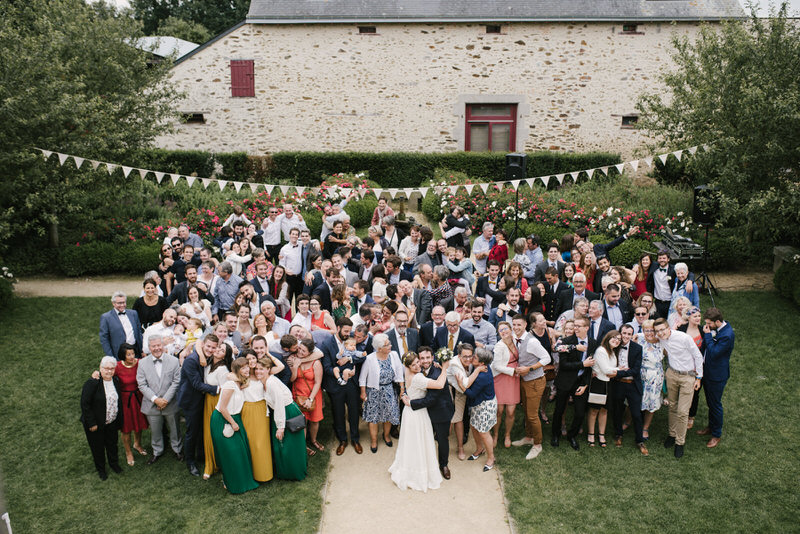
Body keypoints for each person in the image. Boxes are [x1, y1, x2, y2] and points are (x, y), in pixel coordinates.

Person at [391, 351, 450, 491]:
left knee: (412, 442)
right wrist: (445, 368)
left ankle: (413, 467)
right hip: (418, 414)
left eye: (418, 361)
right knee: (420, 441)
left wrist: (404, 394)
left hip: (410, 413)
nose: (418, 365)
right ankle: (419, 472)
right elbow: (439, 384)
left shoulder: (407, 372)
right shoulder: (418, 377)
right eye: (414, 364)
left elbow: (406, 387)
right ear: (408, 366)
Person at [654, 317, 704, 458]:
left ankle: (679, 442)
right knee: (672, 406)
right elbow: (646, 335)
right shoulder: (661, 338)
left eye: (662, 330)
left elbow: (698, 356)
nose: (660, 333)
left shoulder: (684, 338)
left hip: (688, 377)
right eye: (658, 331)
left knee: (682, 411)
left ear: (668, 328)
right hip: (672, 374)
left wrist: (699, 377)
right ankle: (672, 434)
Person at [209, 357, 259, 494]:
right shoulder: (230, 385)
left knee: (240, 451)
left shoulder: (239, 383)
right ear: (237, 370)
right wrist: (233, 423)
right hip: (223, 419)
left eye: (247, 366)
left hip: (234, 418)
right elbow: (223, 408)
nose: (247, 369)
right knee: (231, 452)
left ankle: (241, 480)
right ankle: (231, 483)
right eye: (243, 368)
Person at [408, 346, 455, 480]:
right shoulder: (417, 371)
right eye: (422, 358)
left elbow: (431, 399)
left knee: (442, 439)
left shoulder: (438, 374)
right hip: (425, 413)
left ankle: (444, 465)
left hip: (441, 411)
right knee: (424, 438)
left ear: (433, 358)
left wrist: (411, 403)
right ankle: (426, 463)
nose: (425, 361)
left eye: (428, 357)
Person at [178, 334, 221, 476]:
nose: (210, 349)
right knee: (192, 432)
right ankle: (190, 462)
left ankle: (201, 455)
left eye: (213, 347)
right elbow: (196, 384)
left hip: (203, 399)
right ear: (203, 344)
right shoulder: (191, 360)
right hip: (191, 400)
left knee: (203, 428)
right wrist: (217, 389)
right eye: (208, 346)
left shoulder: (209, 358)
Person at [258, 357, 307, 480]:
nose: (258, 371)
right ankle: (284, 471)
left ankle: (295, 472)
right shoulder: (262, 382)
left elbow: (279, 403)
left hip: (287, 412)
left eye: (261, 369)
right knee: (282, 444)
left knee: (290, 444)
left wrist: (280, 427)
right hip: (279, 413)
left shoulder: (271, 383)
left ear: (268, 369)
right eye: (256, 369)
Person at [551, 317, 597, 450]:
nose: (575, 328)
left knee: (580, 413)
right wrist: (582, 364)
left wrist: (585, 384)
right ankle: (555, 434)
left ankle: (572, 435)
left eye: (578, 326)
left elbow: (591, 367)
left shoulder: (593, 343)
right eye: (574, 326)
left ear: (586, 328)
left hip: (581, 383)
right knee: (559, 410)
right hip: (565, 380)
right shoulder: (567, 342)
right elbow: (564, 365)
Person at [359, 333, 404, 452]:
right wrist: (363, 393)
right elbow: (362, 378)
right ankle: (374, 440)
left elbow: (399, 372)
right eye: (387, 344)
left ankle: (386, 435)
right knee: (373, 417)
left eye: (389, 343)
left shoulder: (393, 355)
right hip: (374, 391)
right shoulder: (370, 358)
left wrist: (402, 388)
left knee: (388, 416)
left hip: (389, 389)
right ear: (379, 348)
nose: (390, 345)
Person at [696, 307, 734, 448]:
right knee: (710, 403)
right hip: (707, 371)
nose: (707, 326)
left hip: (717, 375)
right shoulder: (717, 328)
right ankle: (710, 427)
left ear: (717, 322)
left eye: (709, 324)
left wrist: (707, 335)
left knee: (715, 405)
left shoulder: (727, 335)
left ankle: (716, 434)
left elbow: (714, 352)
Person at [81, 356, 123, 480]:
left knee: (112, 444)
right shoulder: (93, 383)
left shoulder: (115, 381)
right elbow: (85, 404)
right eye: (106, 369)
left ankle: (114, 464)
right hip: (96, 423)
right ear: (100, 368)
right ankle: (101, 470)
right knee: (97, 447)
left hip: (111, 421)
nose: (109, 371)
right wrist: (91, 423)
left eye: (112, 369)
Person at [610, 324, 648, 455]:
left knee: (636, 413)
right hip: (618, 384)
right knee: (617, 410)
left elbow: (635, 370)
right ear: (620, 333)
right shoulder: (614, 346)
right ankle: (618, 434)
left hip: (632, 384)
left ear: (632, 335)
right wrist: (618, 372)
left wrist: (618, 372)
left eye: (629, 334)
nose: (626, 336)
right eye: (624, 333)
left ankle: (639, 440)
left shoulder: (637, 348)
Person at [199, 342, 233, 479]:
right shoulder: (208, 364)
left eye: (222, 350)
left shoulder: (222, 369)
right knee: (207, 431)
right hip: (208, 400)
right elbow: (198, 343)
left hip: (217, 401)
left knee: (213, 432)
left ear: (226, 356)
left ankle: (216, 464)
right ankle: (210, 463)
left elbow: (225, 390)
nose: (218, 350)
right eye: (218, 347)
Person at [113, 344, 148, 467]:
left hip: (139, 398)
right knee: (126, 428)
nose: (132, 356)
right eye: (128, 354)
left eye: (133, 353)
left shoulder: (140, 363)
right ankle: (128, 452)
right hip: (125, 401)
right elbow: (106, 374)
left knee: (138, 423)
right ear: (123, 355)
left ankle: (137, 444)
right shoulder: (117, 367)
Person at [241, 355, 274, 483]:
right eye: (248, 359)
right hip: (248, 409)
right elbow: (230, 377)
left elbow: (280, 367)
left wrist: (268, 353)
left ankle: (265, 473)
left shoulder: (260, 373)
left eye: (253, 358)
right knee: (251, 442)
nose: (251, 361)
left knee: (263, 442)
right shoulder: (243, 376)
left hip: (261, 409)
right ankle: (253, 473)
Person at [586, 330, 620, 448]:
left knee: (605, 410)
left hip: (608, 384)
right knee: (594, 410)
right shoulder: (601, 350)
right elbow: (606, 370)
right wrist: (621, 370)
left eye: (619, 339)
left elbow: (611, 369)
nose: (616, 340)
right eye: (614, 338)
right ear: (608, 338)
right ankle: (591, 434)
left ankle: (601, 434)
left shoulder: (612, 351)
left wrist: (614, 370)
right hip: (598, 383)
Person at [291, 339, 325, 455]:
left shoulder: (316, 363)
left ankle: (314, 440)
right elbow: (292, 379)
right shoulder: (294, 359)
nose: (300, 352)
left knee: (314, 420)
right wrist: (295, 367)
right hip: (298, 394)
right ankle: (303, 444)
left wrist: (310, 399)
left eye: (303, 351)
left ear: (310, 352)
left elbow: (317, 382)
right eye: (299, 348)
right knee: (301, 421)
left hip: (313, 394)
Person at [464, 348, 496, 471]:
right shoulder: (479, 368)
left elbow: (471, 394)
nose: (472, 358)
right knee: (474, 427)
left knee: (483, 432)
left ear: (482, 363)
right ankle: (479, 449)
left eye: (475, 358)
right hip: (478, 404)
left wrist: (461, 385)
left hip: (485, 406)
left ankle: (491, 458)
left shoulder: (483, 375)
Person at [491, 322, 519, 449]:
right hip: (502, 377)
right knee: (499, 410)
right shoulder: (499, 346)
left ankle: (507, 435)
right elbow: (496, 366)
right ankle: (495, 435)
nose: (503, 331)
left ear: (510, 329)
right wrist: (512, 371)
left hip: (514, 380)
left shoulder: (516, 342)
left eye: (505, 329)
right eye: (500, 330)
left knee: (511, 411)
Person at [638, 319, 664, 439]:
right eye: (646, 330)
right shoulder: (639, 339)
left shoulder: (662, 342)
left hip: (655, 376)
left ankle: (645, 428)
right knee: (635, 400)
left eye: (652, 330)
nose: (649, 333)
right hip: (640, 374)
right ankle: (627, 422)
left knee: (651, 402)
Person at [100, 291, 143, 358]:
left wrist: (142, 350)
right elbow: (104, 339)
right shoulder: (106, 317)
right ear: (113, 303)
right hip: (119, 353)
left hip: (135, 351)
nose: (122, 305)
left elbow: (139, 332)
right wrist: (110, 356)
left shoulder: (133, 313)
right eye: (119, 303)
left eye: (124, 302)